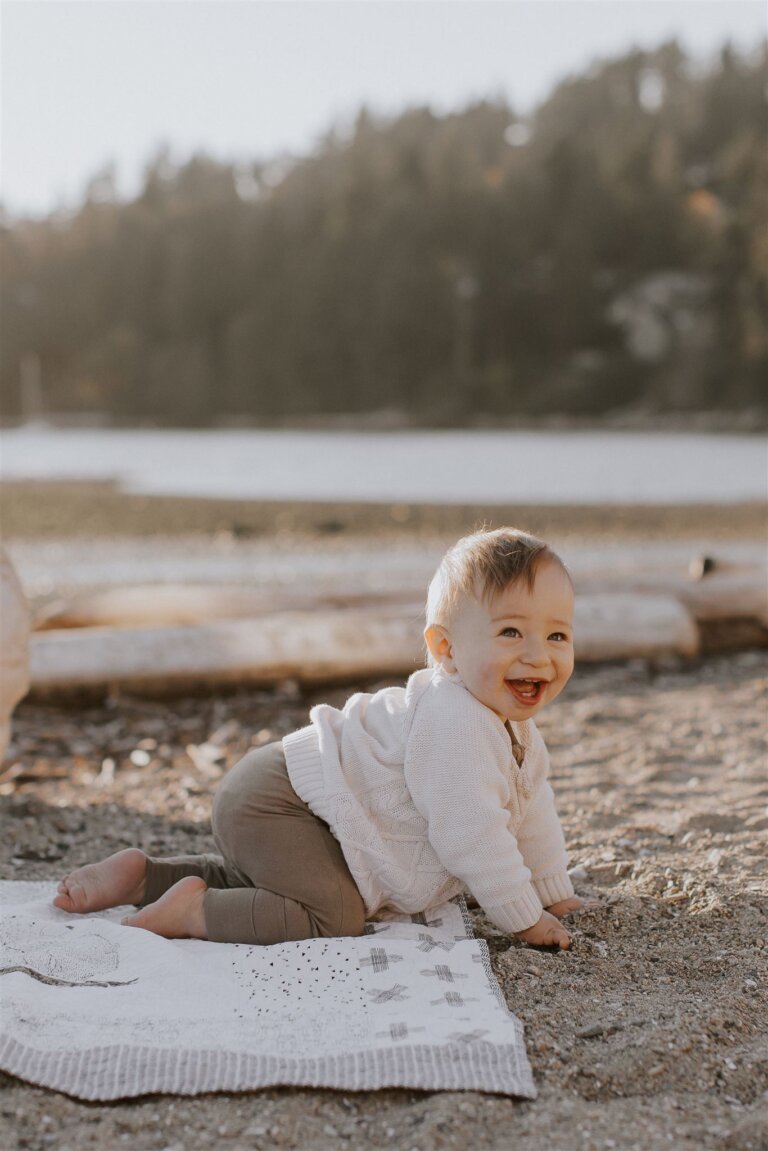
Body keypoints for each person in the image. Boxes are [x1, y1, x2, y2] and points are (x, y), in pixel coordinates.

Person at [54, 527, 582, 950]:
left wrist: (553, 895)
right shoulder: (456, 721)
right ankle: (194, 912)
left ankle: (143, 879)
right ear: (445, 649)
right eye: (511, 632)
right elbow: (472, 832)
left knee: (283, 881)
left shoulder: (514, 731)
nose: (538, 655)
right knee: (334, 912)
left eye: (557, 635)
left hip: (302, 813)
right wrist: (523, 919)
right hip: (280, 801)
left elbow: (532, 813)